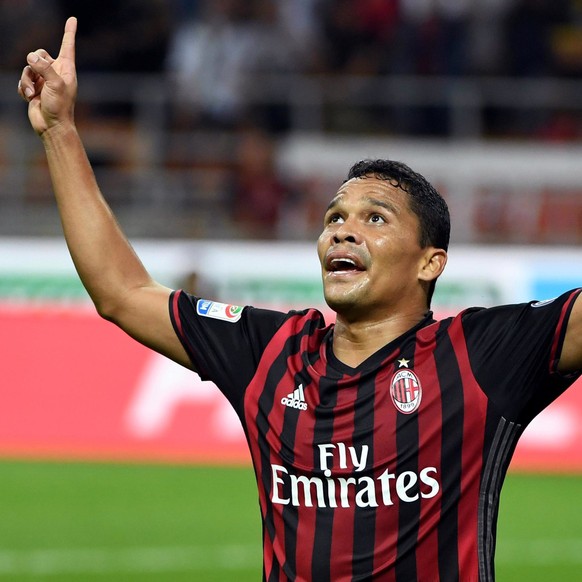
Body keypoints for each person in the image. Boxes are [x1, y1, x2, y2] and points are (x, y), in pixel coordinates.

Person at [18, 17, 582, 581]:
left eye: (375, 218)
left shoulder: (480, 355)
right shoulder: (271, 352)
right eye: (334, 216)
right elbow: (123, 293)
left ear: (429, 262)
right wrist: (60, 131)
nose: (342, 230)